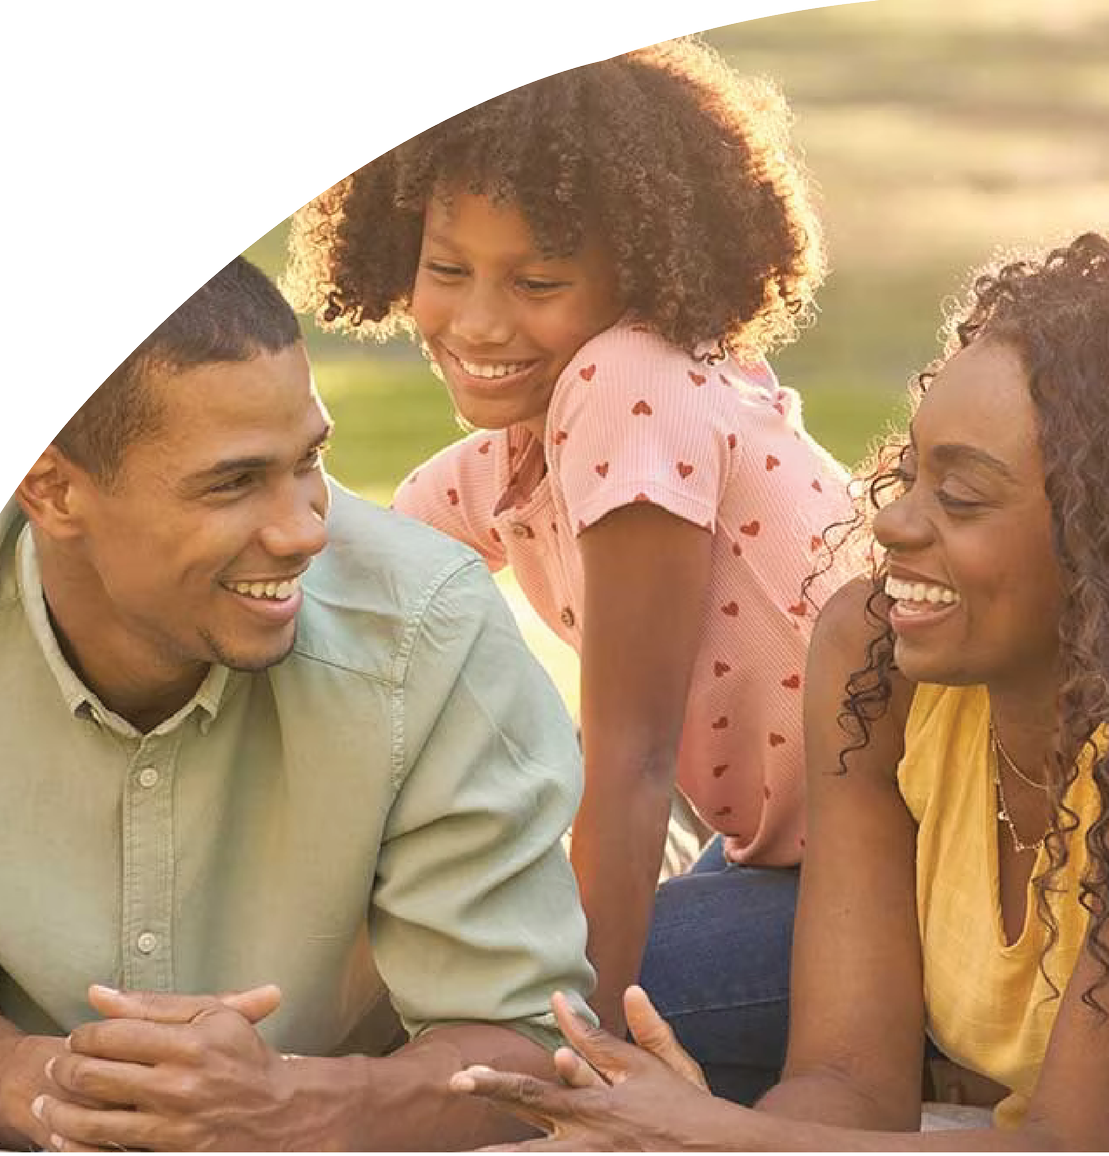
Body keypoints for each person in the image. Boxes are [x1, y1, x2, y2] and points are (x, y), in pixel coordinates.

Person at [0, 255, 596, 1151]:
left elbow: (523, 1049)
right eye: (233, 482)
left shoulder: (429, 628)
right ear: (52, 489)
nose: (303, 529)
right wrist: (54, 1090)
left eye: (309, 460)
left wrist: (288, 1108)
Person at [280, 35, 862, 1094]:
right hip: (784, 861)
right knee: (451, 964)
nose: (479, 321)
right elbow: (344, 589)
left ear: (639, 273)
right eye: (446, 269)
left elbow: (631, 761)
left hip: (895, 884)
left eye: (538, 280)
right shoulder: (507, 460)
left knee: (493, 1003)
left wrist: (576, 1060)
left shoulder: (633, 386)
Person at [446, 231, 1109, 1149]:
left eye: (960, 497)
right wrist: (703, 1132)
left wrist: (715, 1138)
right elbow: (845, 1082)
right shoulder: (876, 663)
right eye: (911, 472)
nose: (892, 519)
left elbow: (1068, 1147)